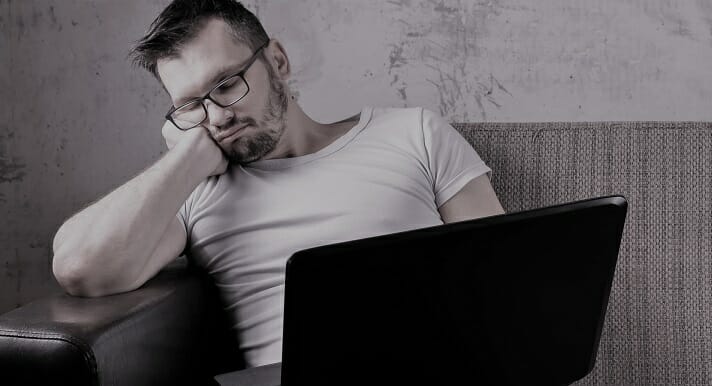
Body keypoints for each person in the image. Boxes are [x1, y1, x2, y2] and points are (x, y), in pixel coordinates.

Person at [51, 0, 505, 367]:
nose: (218, 116)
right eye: (191, 105)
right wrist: (188, 157)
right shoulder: (194, 192)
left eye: (226, 84)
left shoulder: (414, 134)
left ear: (278, 61)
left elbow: (503, 281)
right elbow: (80, 268)